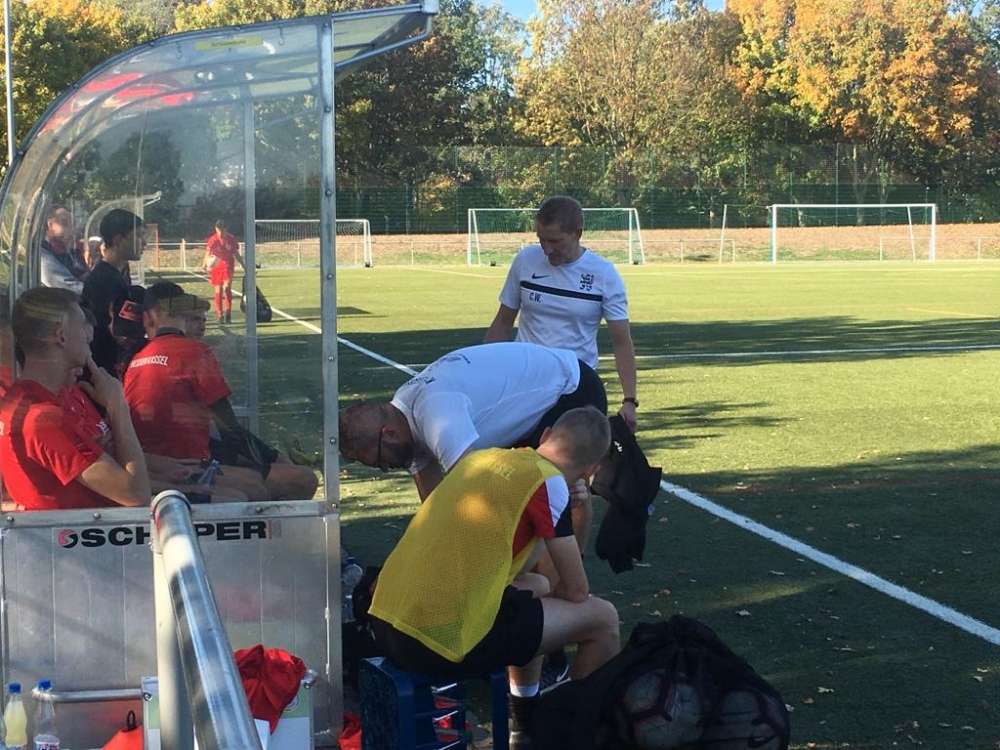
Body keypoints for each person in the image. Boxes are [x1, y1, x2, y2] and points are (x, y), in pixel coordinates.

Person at [366, 406, 620, 749]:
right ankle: (575, 735)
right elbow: (576, 591)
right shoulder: (548, 484)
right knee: (603, 618)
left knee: (536, 587)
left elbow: (523, 570)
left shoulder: (482, 457)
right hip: (434, 640)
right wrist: (573, 508)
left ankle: (525, 721)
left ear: (545, 436)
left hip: (384, 619)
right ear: (591, 470)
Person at [338, 342, 607, 503]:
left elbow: (475, 491)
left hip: (568, 388)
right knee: (526, 495)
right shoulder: (403, 415)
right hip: (531, 400)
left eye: (379, 461)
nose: (386, 467)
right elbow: (436, 505)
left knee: (555, 495)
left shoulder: (437, 415)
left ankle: (567, 577)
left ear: (389, 433)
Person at [124, 284, 317, 502]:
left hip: (154, 464)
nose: (201, 327)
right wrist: (267, 462)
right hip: (182, 465)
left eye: (203, 320)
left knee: (259, 479)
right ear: (184, 315)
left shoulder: (138, 359)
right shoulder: (194, 352)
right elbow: (228, 427)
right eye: (196, 319)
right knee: (298, 480)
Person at [483, 196, 639, 433]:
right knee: (515, 452)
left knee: (568, 455)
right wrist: (484, 372)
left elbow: (621, 342)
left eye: (555, 241)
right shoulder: (525, 261)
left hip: (575, 385)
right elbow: (503, 321)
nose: (547, 249)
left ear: (578, 233)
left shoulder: (604, 274)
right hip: (524, 381)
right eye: (541, 239)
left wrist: (629, 401)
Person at [0, 287, 151, 510]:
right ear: (60, 335)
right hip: (83, 530)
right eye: (81, 326)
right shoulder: (43, 416)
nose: (89, 336)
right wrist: (118, 407)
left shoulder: (29, 399)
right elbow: (136, 494)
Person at [82, 209, 146, 373]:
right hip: (104, 366)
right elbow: (113, 332)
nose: (145, 243)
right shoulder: (104, 280)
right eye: (139, 236)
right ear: (118, 240)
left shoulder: (121, 272)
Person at [201, 219, 245, 325]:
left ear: (225, 229)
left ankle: (228, 313)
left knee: (227, 287)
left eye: (221, 231)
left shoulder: (231, 239)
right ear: (215, 229)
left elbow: (236, 254)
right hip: (216, 267)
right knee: (218, 290)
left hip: (228, 266)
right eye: (217, 231)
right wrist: (204, 265)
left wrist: (244, 266)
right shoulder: (212, 240)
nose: (219, 233)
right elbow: (207, 253)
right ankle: (220, 316)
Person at [39, 205, 89, 292]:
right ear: (50, 225)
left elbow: (80, 274)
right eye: (65, 224)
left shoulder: (68, 251)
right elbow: (74, 290)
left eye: (73, 224)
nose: (71, 230)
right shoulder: (43, 257)